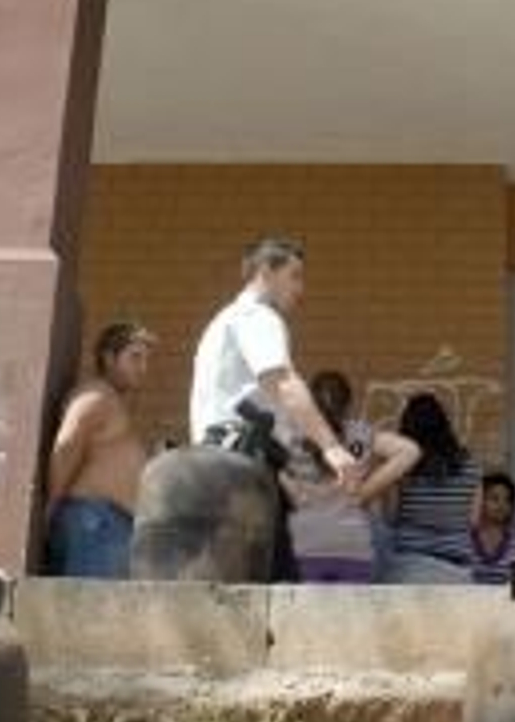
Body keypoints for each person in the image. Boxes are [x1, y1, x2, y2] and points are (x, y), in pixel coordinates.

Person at [190, 236, 360, 580]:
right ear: (266, 271)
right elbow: (281, 383)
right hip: (241, 470)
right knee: (271, 587)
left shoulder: (225, 320)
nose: (302, 288)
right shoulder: (258, 316)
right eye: (294, 275)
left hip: (217, 465)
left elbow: (249, 409)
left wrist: (286, 480)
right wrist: (333, 448)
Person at [44, 319, 156, 578]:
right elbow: (67, 445)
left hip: (106, 525)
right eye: (135, 358)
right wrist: (52, 505)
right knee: (87, 613)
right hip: (94, 523)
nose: (143, 368)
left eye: (146, 360)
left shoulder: (109, 400)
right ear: (109, 358)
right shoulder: (95, 396)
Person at [285, 369, 419, 584]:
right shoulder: (359, 433)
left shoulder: (294, 436)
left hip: (308, 542)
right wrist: (364, 494)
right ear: (348, 405)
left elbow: (281, 477)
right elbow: (409, 451)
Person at [377, 391, 480, 584]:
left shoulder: (402, 467)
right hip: (456, 570)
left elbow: (390, 516)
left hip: (410, 567)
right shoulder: (471, 466)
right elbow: (473, 521)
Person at [467, 469, 515, 585]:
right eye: (494, 498)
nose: (501, 505)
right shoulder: (465, 540)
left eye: (507, 500)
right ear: (480, 501)